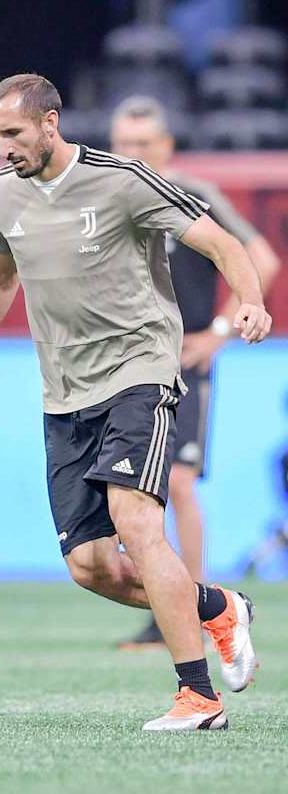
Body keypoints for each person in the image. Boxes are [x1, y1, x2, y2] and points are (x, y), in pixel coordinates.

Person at [0, 74, 271, 731]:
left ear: (50, 123)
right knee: (91, 567)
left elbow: (226, 245)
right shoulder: (1, 193)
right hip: (64, 393)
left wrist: (246, 307)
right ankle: (217, 607)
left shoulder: (122, 180)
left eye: (14, 134)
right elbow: (1, 280)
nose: (3, 148)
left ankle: (198, 699)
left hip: (139, 372)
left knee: (137, 522)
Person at [109, 96, 282, 649]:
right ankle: (165, 604)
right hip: (123, 363)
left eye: (143, 144)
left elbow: (263, 259)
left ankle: (191, 606)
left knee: (177, 484)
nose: (132, 153)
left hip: (182, 363)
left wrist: (221, 331)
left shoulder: (194, 196)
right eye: (123, 144)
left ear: (166, 147)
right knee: (130, 490)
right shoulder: (104, 199)